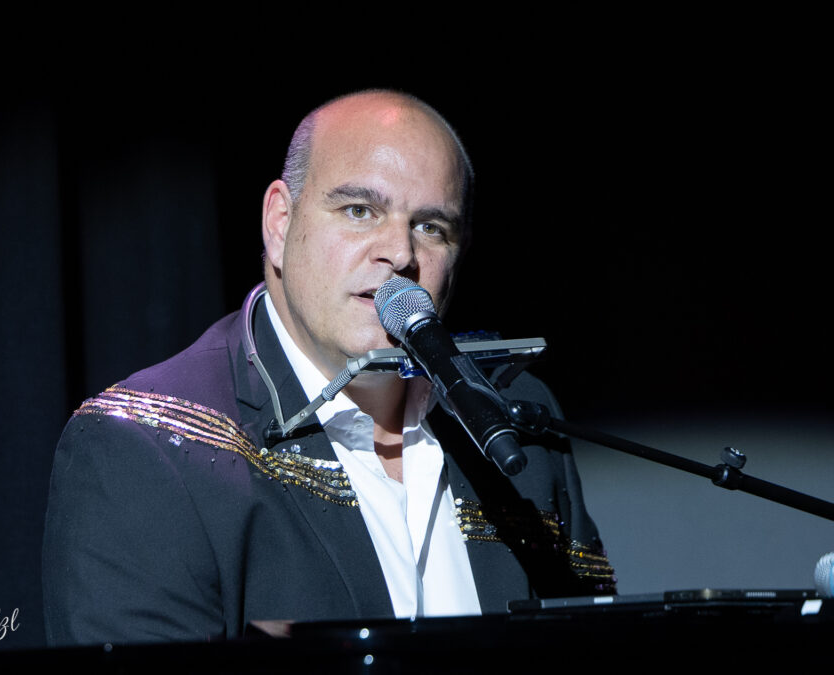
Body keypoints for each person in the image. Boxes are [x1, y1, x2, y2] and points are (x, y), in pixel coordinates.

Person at [42, 89, 615, 645]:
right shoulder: (148, 445)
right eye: (359, 210)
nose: (400, 253)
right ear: (279, 223)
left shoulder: (510, 416)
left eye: (430, 227)